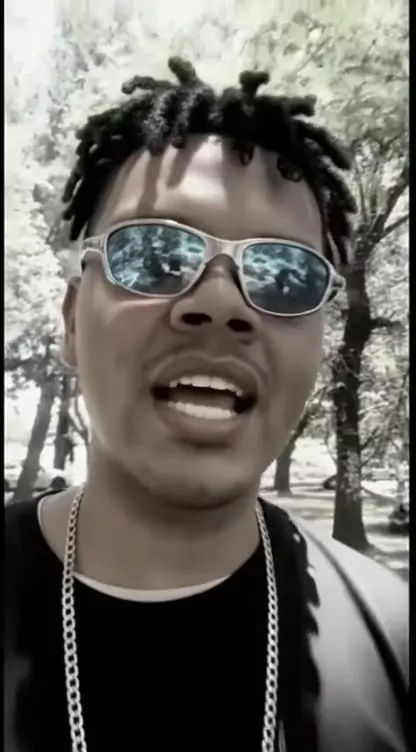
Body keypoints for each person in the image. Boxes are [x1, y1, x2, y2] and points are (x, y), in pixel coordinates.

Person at [5, 58, 408, 752]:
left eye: (284, 275)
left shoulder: (396, 649)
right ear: (72, 322)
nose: (220, 303)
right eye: (156, 253)